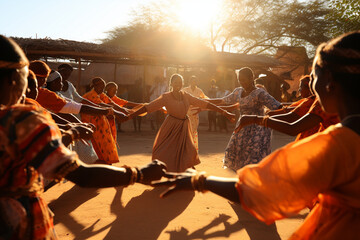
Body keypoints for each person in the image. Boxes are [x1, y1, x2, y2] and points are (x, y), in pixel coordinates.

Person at [153, 31, 360, 240]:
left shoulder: (339, 145)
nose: (310, 88)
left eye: (314, 78)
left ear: (330, 81)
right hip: (243, 131)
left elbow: (265, 189)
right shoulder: (344, 137)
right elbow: (226, 101)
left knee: (255, 165)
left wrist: (199, 181)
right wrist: (208, 106)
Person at [0, 35, 167, 240]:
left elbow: (77, 104)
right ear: (13, 79)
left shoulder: (40, 104)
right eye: (28, 78)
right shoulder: (23, 119)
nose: (32, 88)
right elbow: (82, 175)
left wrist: (73, 130)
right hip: (19, 223)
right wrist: (138, 174)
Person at [129, 74, 235, 172]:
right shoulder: (166, 97)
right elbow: (148, 107)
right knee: (162, 151)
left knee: (188, 150)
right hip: (170, 127)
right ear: (171, 83)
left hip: (184, 127)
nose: (178, 84)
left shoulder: (186, 96)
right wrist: (130, 115)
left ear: (182, 84)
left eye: (180, 82)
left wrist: (224, 112)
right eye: (175, 82)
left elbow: (204, 103)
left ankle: (184, 173)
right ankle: (159, 170)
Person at [207, 67, 281, 171]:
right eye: (239, 80)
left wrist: (268, 120)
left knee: (253, 158)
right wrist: (203, 102)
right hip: (242, 128)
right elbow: (223, 100)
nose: (242, 82)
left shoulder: (260, 93)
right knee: (239, 156)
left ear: (251, 78)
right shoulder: (238, 92)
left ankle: (253, 184)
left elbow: (278, 107)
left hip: (257, 131)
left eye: (244, 79)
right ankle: (241, 182)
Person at [81, 77, 129, 164]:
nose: (103, 89)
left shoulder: (101, 94)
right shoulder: (90, 95)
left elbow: (111, 103)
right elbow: (102, 105)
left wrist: (124, 111)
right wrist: (119, 113)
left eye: (103, 87)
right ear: (94, 86)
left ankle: (106, 162)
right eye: (101, 87)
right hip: (90, 124)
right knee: (97, 147)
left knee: (105, 145)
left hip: (100, 124)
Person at [182, 75, 208, 151]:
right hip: (186, 113)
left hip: (195, 113)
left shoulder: (199, 91)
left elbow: (206, 99)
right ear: (190, 82)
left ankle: (192, 149)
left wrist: (203, 106)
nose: (194, 82)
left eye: (196, 81)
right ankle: (185, 148)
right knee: (186, 131)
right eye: (193, 81)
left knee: (193, 130)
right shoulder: (185, 90)